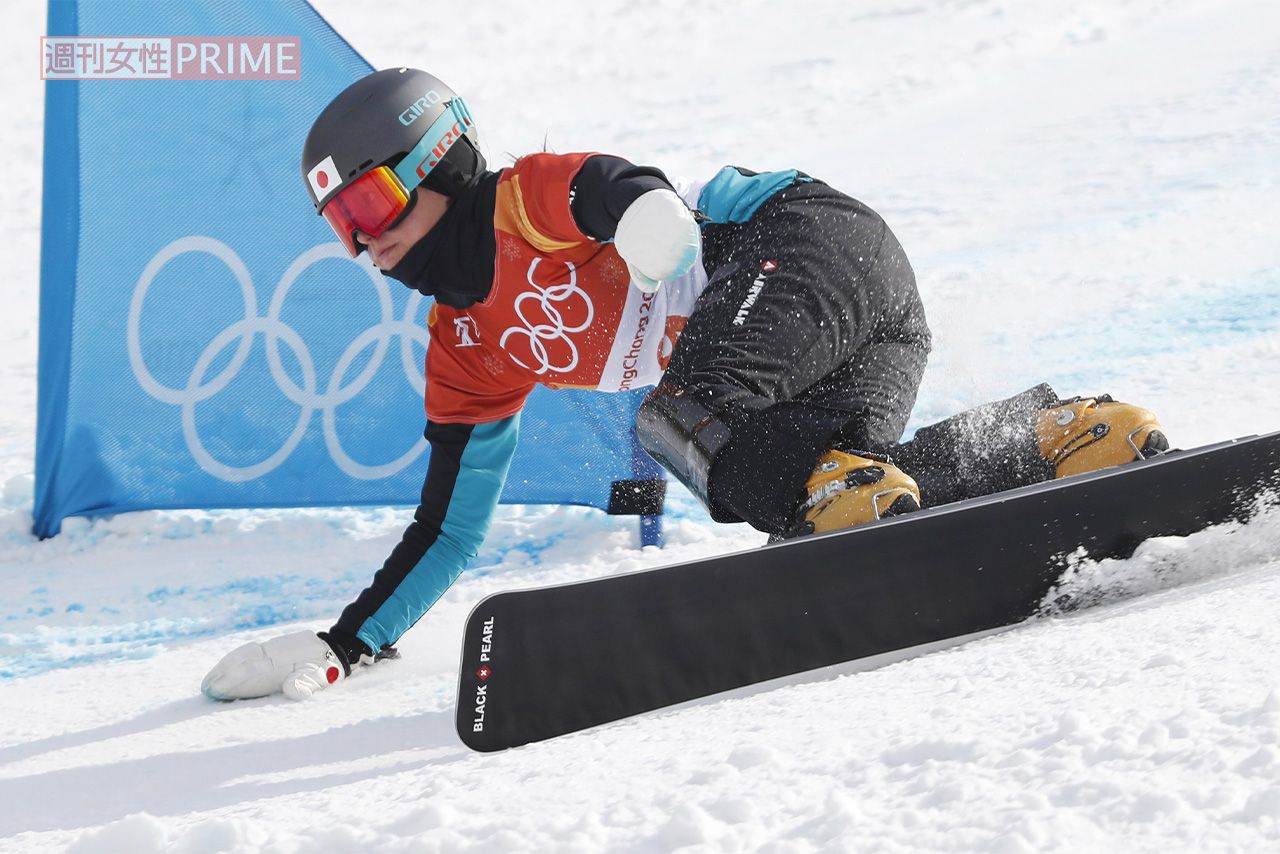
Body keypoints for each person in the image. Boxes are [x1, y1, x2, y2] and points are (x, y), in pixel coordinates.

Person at [202, 68, 1167, 701]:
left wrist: (648, 212)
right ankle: (1047, 438)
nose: (366, 243)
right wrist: (349, 643)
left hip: (804, 239)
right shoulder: (463, 350)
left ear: (436, 161)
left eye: (370, 204)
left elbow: (607, 183)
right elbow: (451, 529)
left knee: (682, 422)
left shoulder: (519, 201)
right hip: (860, 325)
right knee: (833, 498)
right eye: (342, 228)